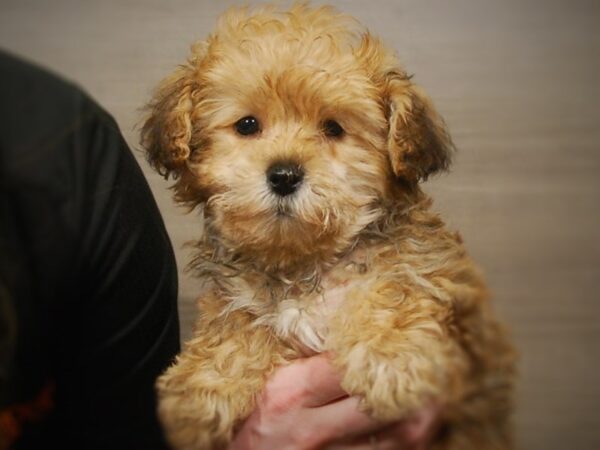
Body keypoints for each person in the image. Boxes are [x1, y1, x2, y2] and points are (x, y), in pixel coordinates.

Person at [0, 51, 438, 450]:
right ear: (188, 142)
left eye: (332, 128)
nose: (286, 164)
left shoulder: (70, 151)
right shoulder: (232, 304)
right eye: (248, 126)